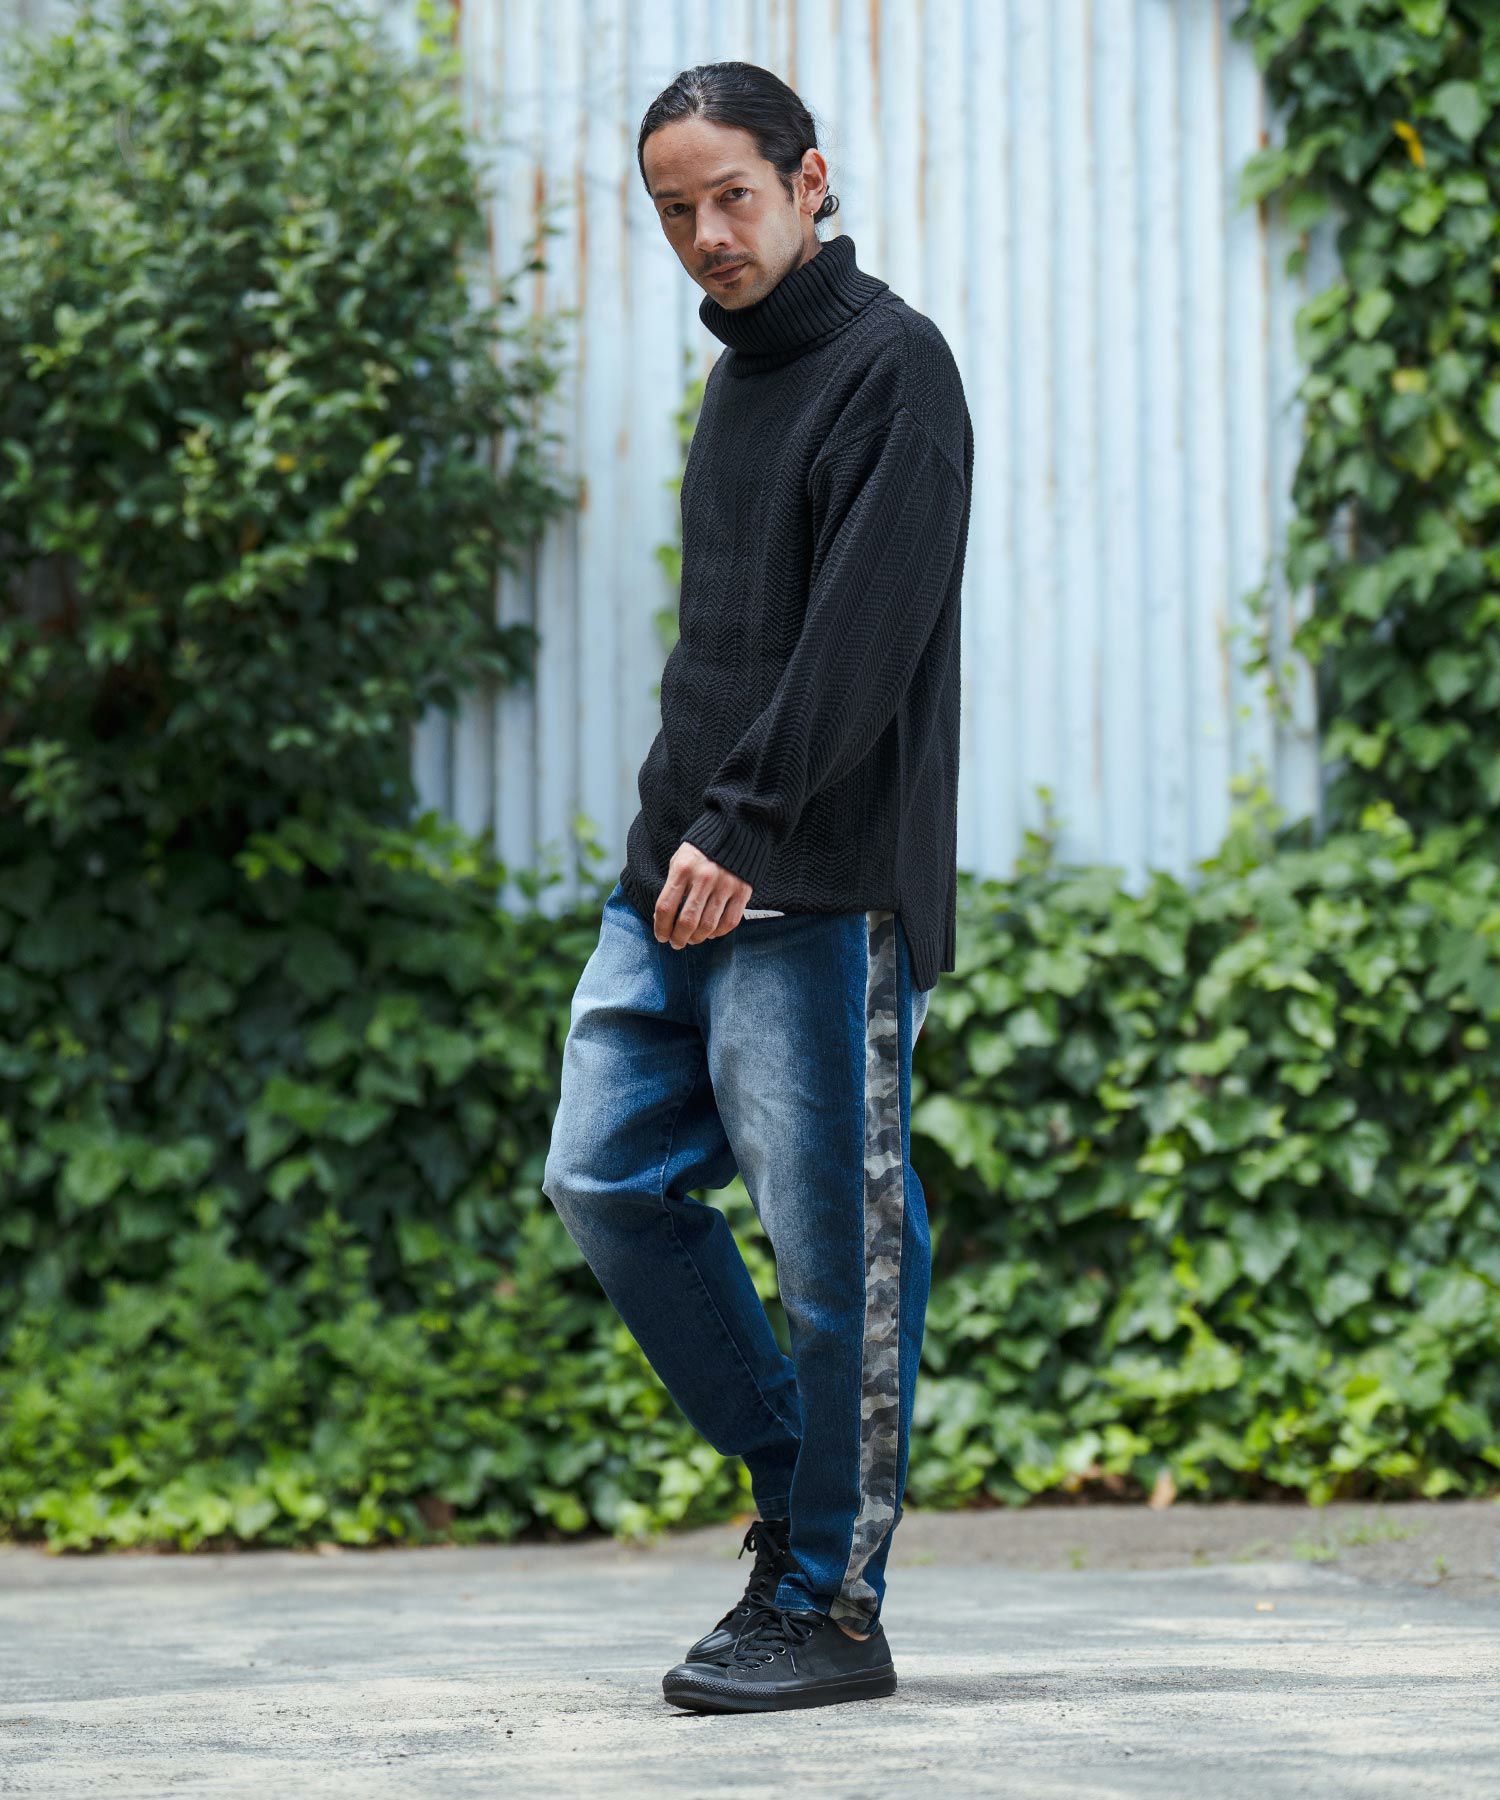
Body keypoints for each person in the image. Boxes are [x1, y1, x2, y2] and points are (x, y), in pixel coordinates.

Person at [541, 58, 973, 1715]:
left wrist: (747, 824)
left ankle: (829, 1608)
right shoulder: (743, 378)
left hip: (812, 889)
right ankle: (807, 1487)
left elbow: (863, 638)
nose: (708, 233)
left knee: (838, 1261)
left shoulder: (894, 370)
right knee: (605, 1178)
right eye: (676, 211)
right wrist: (677, 835)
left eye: (732, 195)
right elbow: (722, 647)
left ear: (808, 180)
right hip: (678, 872)